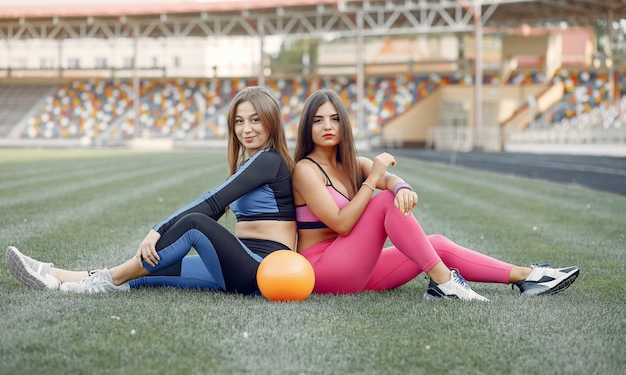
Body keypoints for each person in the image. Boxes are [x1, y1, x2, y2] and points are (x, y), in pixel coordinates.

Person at [6, 86, 297, 295]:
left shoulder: (269, 160)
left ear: (271, 121)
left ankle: (106, 280)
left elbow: (212, 203)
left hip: (263, 270)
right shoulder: (251, 162)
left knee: (194, 224)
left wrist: (158, 229)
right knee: (155, 271)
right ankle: (55, 276)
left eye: (255, 119)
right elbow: (219, 209)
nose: (246, 128)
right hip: (240, 266)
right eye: (239, 121)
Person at [292, 89, 579, 300]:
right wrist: (375, 180)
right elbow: (341, 224)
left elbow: (391, 178)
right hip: (322, 271)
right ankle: (445, 282)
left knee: (436, 244)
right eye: (318, 121)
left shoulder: (351, 163)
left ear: (344, 124)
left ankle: (527, 277)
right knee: (382, 202)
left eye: (334, 119)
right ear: (308, 127)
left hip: (356, 267)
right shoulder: (306, 170)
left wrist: (402, 187)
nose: (327, 126)